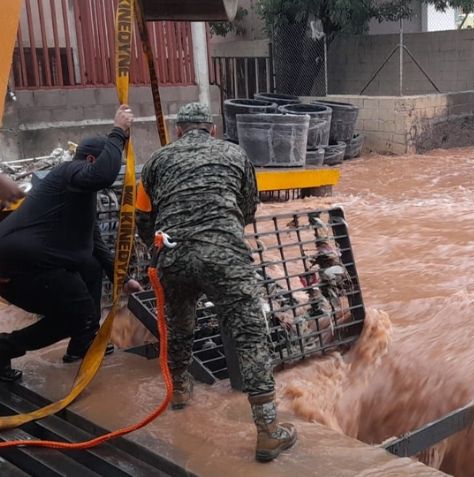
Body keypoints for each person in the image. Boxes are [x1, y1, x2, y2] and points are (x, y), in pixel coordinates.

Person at [135, 102, 297, 463]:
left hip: (173, 255)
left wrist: (156, 247)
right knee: (250, 335)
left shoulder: (157, 161)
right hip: (224, 255)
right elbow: (248, 207)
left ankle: (178, 391)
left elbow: (143, 216)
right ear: (211, 130)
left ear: (179, 131)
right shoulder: (235, 153)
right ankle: (269, 432)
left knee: (179, 325)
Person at [0, 105, 142, 382]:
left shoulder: (76, 195)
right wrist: (118, 132)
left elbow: (96, 245)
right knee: (80, 316)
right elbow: (104, 174)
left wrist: (122, 278)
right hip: (18, 266)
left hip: (31, 262)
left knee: (89, 264)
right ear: (89, 160)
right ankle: (4, 348)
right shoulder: (70, 172)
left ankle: (81, 345)